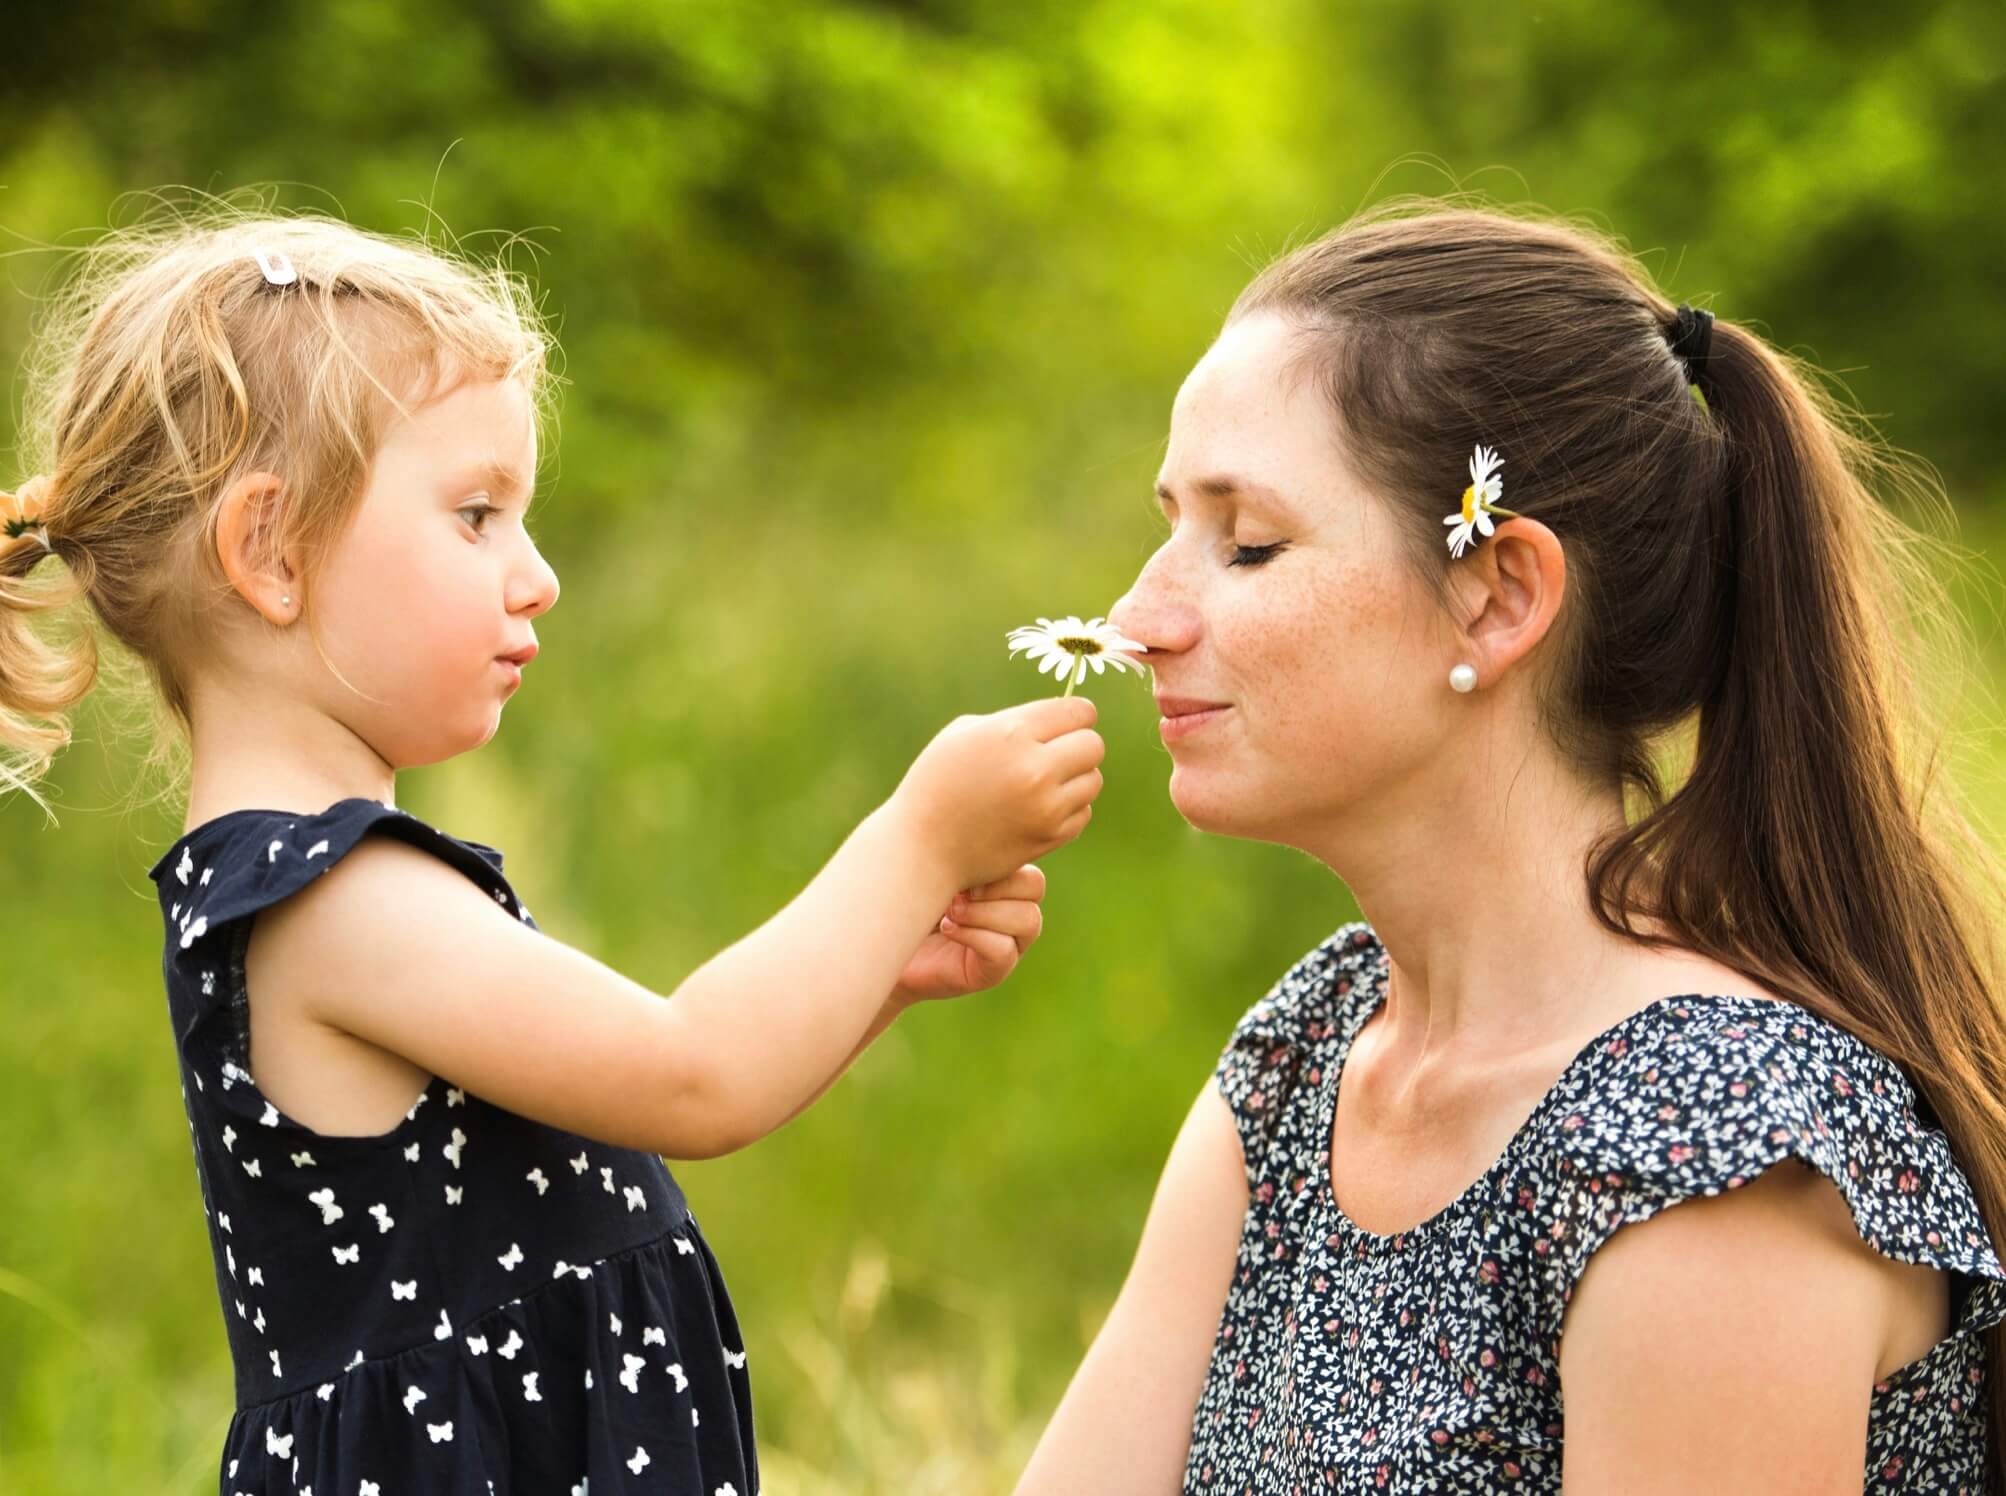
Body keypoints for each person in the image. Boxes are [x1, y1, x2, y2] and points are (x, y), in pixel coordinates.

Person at [0, 207, 1106, 1494]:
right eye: (475, 515)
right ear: (271, 550)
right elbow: (694, 1075)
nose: (537, 576)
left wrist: (875, 973)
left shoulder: (327, 883)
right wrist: (915, 837)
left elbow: (612, 1104)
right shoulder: (334, 900)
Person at [1016, 198, 2006, 1492]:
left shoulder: (1717, 1145)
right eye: (1168, 525)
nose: (1137, 617)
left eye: (1246, 542)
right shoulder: (1309, 1052)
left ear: (1495, 598)